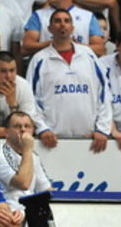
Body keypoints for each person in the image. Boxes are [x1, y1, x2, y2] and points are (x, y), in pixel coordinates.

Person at [27, 9, 112, 152]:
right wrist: (42, 129)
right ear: (49, 28)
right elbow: (31, 99)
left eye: (67, 21)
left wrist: (103, 129)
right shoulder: (39, 60)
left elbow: (104, 93)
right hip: (52, 141)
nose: (62, 25)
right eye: (57, 21)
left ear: (72, 28)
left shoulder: (89, 56)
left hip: (89, 138)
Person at [22, 0, 105, 57]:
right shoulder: (38, 16)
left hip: (79, 67)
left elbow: (100, 50)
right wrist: (56, 42)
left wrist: (72, 45)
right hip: (48, 67)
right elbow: (26, 47)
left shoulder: (88, 17)